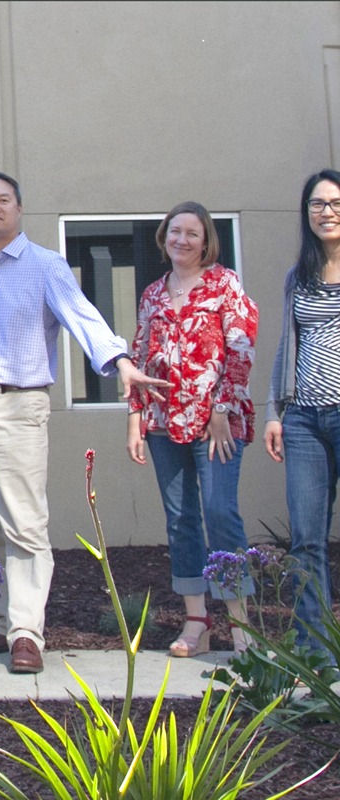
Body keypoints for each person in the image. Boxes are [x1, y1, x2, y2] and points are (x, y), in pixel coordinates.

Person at [0, 172, 167, 674]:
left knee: (24, 523)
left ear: (19, 209)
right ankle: (2, 623)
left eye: (3, 200)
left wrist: (122, 363)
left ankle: (27, 633)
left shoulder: (45, 267)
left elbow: (83, 316)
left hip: (17, 407)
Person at [126, 202, 259, 657]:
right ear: (164, 238)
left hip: (216, 425)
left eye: (192, 234)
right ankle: (197, 622)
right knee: (182, 521)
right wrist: (134, 418)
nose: (182, 240)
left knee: (220, 513)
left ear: (206, 242)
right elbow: (140, 358)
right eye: (175, 232)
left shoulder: (224, 284)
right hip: (164, 424)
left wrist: (221, 406)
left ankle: (243, 629)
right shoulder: (153, 294)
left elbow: (241, 346)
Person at [265, 168, 340, 654]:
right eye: (317, 204)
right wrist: (274, 411)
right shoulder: (300, 275)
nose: (326, 212)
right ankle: (319, 652)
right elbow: (285, 347)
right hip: (304, 419)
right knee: (307, 540)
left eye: (334, 203)